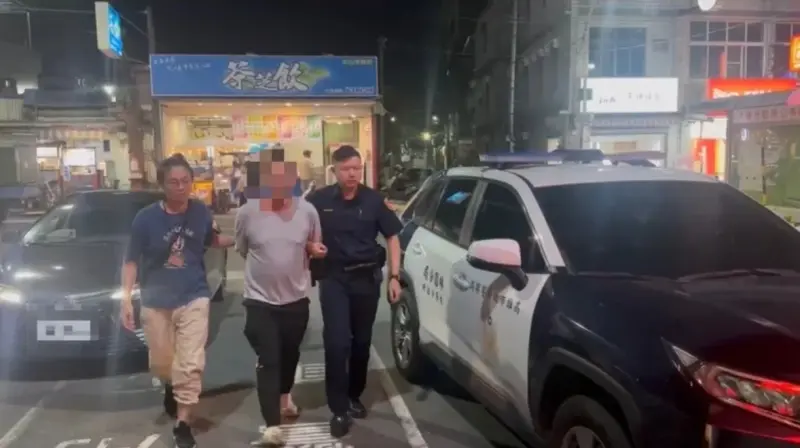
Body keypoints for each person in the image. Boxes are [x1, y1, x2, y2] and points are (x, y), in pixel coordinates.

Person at [119, 153, 235, 448]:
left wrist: (245, 237)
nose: (181, 187)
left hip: (193, 296)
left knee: (190, 362)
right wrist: (125, 300)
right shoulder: (145, 218)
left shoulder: (200, 212)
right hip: (156, 301)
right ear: (163, 185)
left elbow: (211, 240)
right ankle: (171, 385)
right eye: (174, 182)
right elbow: (131, 261)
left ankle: (183, 422)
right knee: (162, 362)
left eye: (185, 181)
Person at [305, 145, 403, 438]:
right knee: (337, 343)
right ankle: (338, 408)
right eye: (346, 169)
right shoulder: (318, 200)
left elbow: (392, 237)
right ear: (334, 170)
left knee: (361, 342)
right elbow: (299, 230)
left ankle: (354, 394)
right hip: (334, 279)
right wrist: (310, 247)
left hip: (366, 280)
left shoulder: (374, 200)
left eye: (357, 168)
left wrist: (394, 277)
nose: (352, 174)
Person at [234, 145, 327, 445]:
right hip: (259, 300)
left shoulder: (307, 211)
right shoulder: (247, 212)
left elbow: (314, 245)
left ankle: (285, 397)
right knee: (269, 358)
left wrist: (314, 250)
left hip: (296, 298)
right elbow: (243, 249)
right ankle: (272, 425)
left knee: (290, 354)